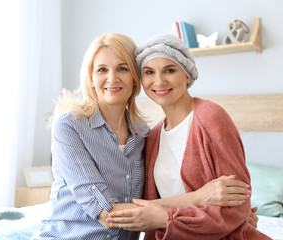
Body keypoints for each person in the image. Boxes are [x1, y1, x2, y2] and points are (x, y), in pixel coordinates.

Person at [32, 33, 252, 240]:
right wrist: (199, 198)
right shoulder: (69, 126)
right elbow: (108, 214)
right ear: (90, 78)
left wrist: (236, 218)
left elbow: (153, 203)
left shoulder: (143, 134)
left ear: (134, 78)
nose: (112, 78)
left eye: (122, 68)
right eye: (101, 70)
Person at [106, 34, 271, 239]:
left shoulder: (212, 118)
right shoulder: (152, 135)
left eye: (170, 70)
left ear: (187, 75)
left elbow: (236, 207)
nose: (159, 81)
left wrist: (166, 219)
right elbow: (148, 215)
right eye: (149, 72)